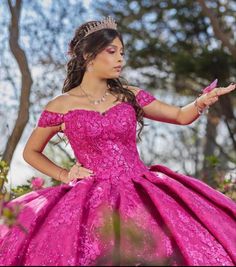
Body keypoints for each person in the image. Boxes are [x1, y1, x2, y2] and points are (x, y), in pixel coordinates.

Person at [0, 16, 235, 266]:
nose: (120, 58)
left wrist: (201, 102)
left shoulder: (130, 95)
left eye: (122, 52)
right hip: (89, 199)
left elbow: (178, 115)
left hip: (141, 189)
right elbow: (31, 152)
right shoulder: (60, 105)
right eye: (112, 52)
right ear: (88, 55)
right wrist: (64, 173)